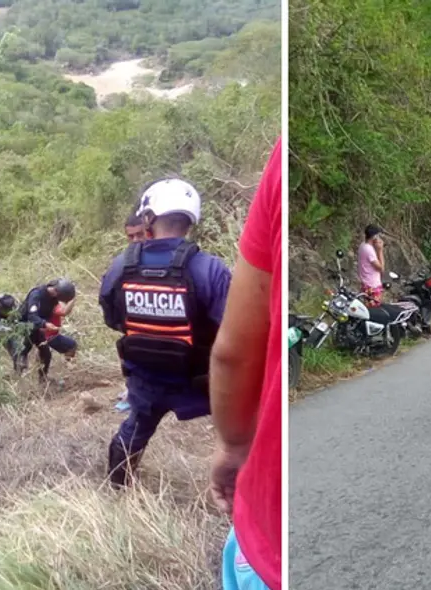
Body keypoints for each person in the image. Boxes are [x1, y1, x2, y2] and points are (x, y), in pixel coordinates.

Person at [99, 177, 232, 488]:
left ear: (148, 218)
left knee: (133, 432)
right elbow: (230, 332)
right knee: (238, 434)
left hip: (145, 379)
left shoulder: (121, 266)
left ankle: (117, 491)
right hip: (201, 381)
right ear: (190, 222)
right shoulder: (210, 269)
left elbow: (111, 317)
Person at [209, 139, 281, 590]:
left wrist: (234, 446)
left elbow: (234, 350)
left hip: (264, 542)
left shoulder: (279, 161)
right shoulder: (202, 267)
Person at [17, 278, 78, 382]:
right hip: (25, 325)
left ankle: (42, 378)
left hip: (38, 328)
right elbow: (32, 316)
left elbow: (63, 310)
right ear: (56, 292)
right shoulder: (36, 295)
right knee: (23, 351)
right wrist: (45, 324)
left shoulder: (53, 298)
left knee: (46, 354)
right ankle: (19, 375)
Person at [358, 224, 385, 307]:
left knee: (368, 307)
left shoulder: (363, 245)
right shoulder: (369, 250)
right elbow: (381, 268)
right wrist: (380, 250)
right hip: (372, 285)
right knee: (374, 310)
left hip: (366, 282)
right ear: (374, 236)